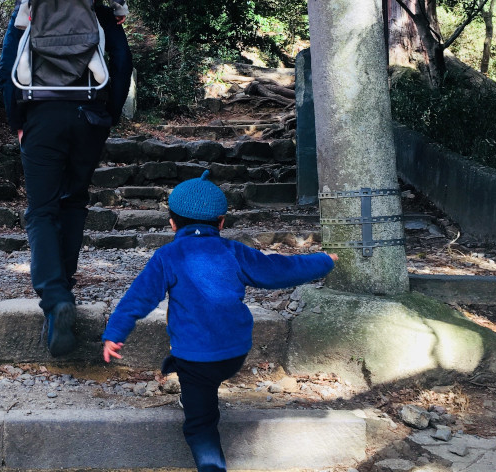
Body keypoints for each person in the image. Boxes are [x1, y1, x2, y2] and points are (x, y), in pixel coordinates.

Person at [102, 170, 337, 472]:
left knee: (200, 424)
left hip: (196, 360)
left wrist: (114, 334)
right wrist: (323, 261)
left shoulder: (168, 256)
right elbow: (279, 269)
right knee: (202, 368)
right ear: (222, 223)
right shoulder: (235, 251)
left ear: (172, 223)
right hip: (234, 352)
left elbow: (138, 299)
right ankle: (185, 376)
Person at [0, 0, 133, 358]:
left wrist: (17, 121)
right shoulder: (98, 10)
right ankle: (64, 287)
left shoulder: (30, 8)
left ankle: (56, 299)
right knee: (73, 201)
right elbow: (121, 61)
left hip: (40, 116)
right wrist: (111, 114)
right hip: (89, 115)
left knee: (41, 211)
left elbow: (9, 65)